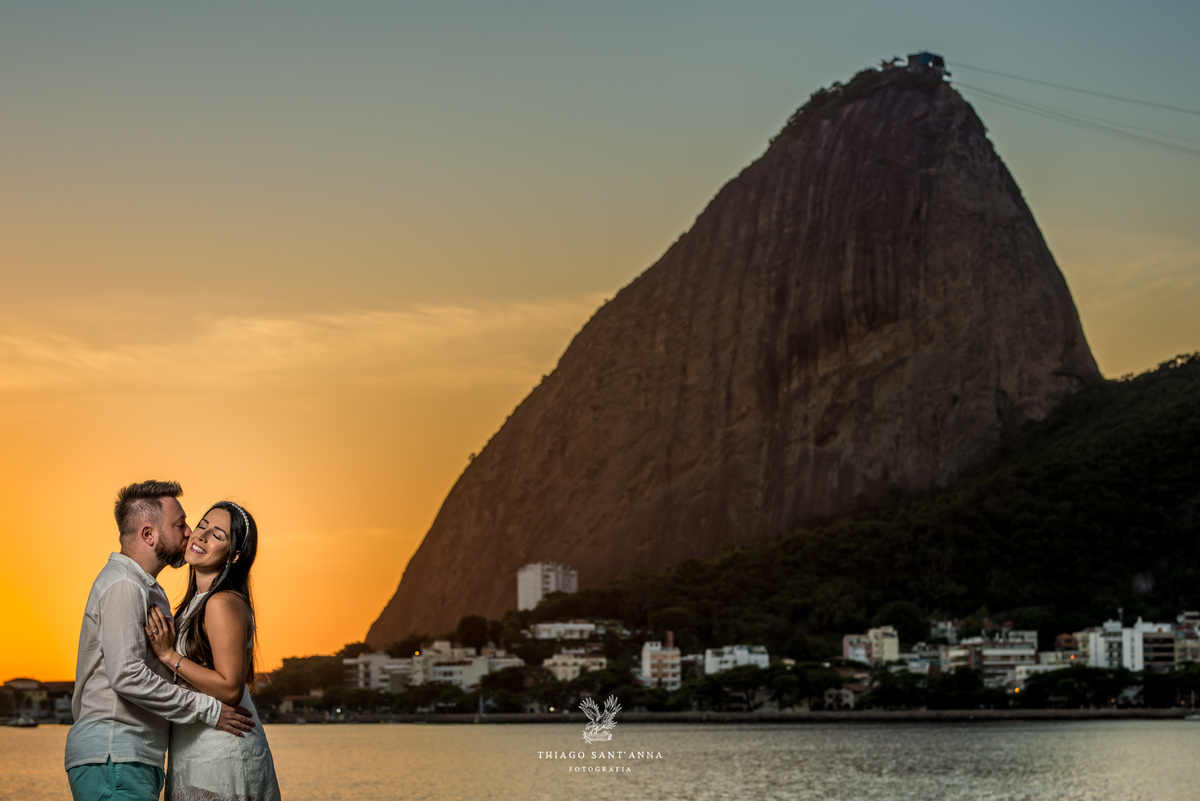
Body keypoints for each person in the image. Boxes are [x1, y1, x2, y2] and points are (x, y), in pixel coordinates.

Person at [65, 480, 256, 801]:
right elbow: (127, 675)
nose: (189, 533)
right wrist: (209, 710)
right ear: (149, 535)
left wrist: (170, 658)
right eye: (181, 525)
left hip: (138, 756)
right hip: (116, 753)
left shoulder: (154, 592)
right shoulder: (124, 586)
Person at [145, 500, 282, 801]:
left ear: (234, 556)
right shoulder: (196, 604)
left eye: (217, 535)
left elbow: (231, 688)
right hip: (195, 746)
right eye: (202, 525)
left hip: (221, 750)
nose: (201, 536)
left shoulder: (221, 603)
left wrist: (169, 656)